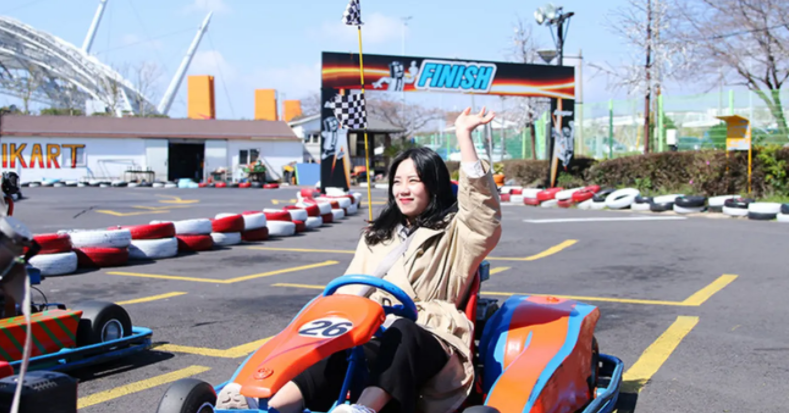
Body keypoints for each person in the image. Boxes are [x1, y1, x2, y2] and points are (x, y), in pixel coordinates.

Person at [215, 107, 502, 413]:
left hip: (429, 333)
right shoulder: (378, 236)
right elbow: (351, 288)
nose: (403, 190)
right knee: (328, 341)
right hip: (372, 326)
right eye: (397, 182)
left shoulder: (458, 234)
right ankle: (269, 405)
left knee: (402, 332)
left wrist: (463, 135)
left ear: (433, 186)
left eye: (413, 181)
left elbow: (482, 210)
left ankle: (364, 409)